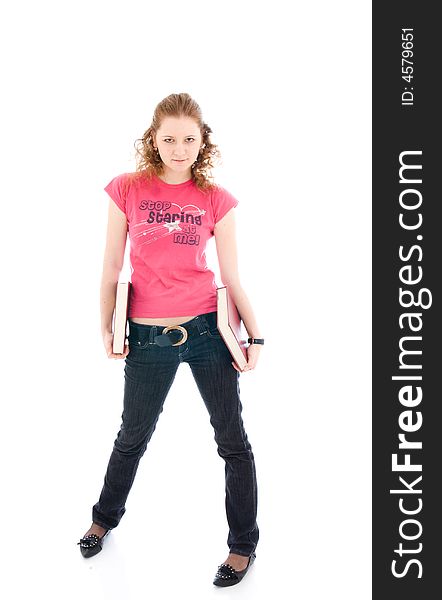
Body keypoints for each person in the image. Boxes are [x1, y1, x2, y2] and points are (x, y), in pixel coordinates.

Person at [77, 92, 264, 587]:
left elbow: (233, 277)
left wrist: (257, 335)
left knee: (232, 440)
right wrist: (106, 328)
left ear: (202, 141)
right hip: (146, 336)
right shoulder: (127, 190)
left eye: (188, 138)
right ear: (153, 140)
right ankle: (103, 519)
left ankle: (243, 545)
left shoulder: (216, 200)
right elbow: (112, 266)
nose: (179, 148)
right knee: (131, 436)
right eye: (169, 138)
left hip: (207, 332)